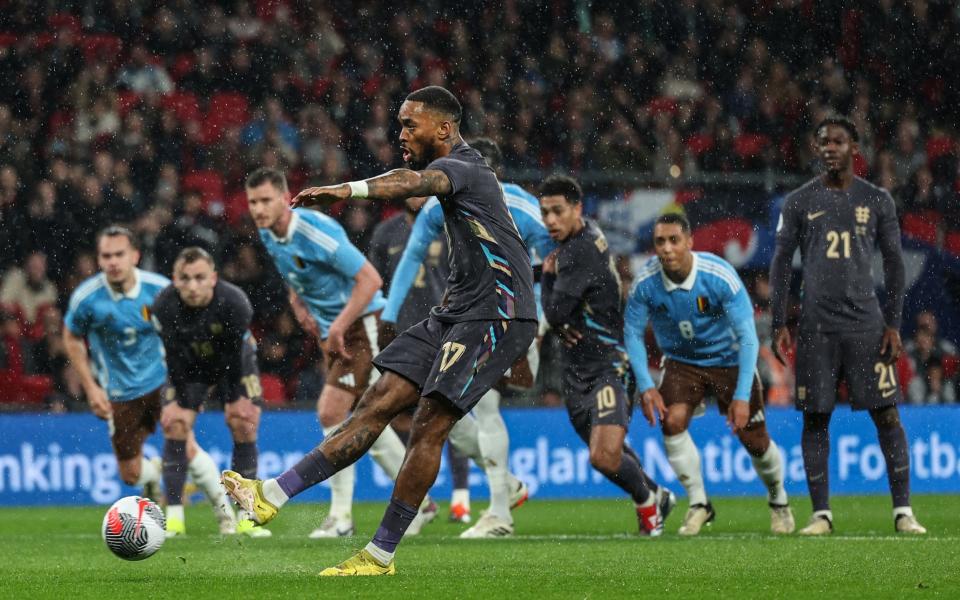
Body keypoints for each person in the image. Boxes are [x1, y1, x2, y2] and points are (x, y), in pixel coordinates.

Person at [222, 86, 538, 575]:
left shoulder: (466, 169)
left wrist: (347, 190)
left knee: (431, 423)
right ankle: (271, 495)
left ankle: (381, 553)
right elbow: (409, 190)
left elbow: (412, 182)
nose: (402, 132)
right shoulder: (448, 174)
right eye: (400, 123)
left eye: (412, 124)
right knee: (376, 402)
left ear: (445, 128)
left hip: (497, 311)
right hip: (456, 311)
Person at [244, 167, 434, 539]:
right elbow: (293, 274)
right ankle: (421, 503)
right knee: (368, 417)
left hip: (362, 322)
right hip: (338, 331)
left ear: (285, 198)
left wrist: (336, 326)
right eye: (253, 202)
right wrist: (299, 305)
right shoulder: (269, 235)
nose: (259, 209)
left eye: (266, 200)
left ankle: (341, 517)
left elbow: (370, 280)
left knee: (332, 412)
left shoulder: (314, 231)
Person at [769, 116, 926, 535]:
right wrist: (780, 318)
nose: (830, 148)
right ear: (816, 148)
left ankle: (903, 512)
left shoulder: (877, 200)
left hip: (865, 326)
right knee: (814, 418)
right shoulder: (800, 201)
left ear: (855, 147)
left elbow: (894, 265)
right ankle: (821, 514)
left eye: (839, 141)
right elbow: (782, 261)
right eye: (823, 142)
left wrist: (893, 324)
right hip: (817, 327)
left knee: (887, 414)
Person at [380, 137, 543, 537]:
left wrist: (539, 311)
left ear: (492, 175)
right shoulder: (440, 205)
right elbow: (413, 255)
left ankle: (501, 512)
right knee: (453, 411)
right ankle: (506, 491)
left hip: (514, 322)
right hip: (476, 320)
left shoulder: (519, 205)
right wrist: (389, 312)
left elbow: (553, 252)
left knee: (480, 410)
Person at [625, 213, 795, 535]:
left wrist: (742, 395)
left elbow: (748, 339)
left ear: (690, 242)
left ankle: (778, 500)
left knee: (755, 442)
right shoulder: (645, 283)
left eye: (674, 240)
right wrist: (646, 386)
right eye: (660, 241)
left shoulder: (719, 276)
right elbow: (632, 333)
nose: (666, 248)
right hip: (681, 362)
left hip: (729, 360)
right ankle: (699, 503)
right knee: (671, 421)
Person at [63, 227, 234, 534]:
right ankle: (154, 476)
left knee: (187, 446)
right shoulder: (87, 298)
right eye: (106, 255)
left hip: (162, 382)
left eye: (119, 254)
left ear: (135, 256)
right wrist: (91, 387)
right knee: (130, 475)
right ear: (99, 259)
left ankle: (226, 516)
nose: (113, 262)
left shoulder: (159, 290)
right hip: (119, 392)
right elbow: (71, 337)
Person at [538, 175, 673, 536]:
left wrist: (548, 279)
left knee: (603, 456)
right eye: (545, 213)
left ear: (577, 209)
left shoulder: (576, 251)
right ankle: (659, 494)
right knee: (609, 453)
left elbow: (554, 315)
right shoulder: (587, 234)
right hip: (575, 367)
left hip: (608, 366)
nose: (550, 220)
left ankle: (648, 508)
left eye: (557, 211)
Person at [367, 196, 474, 524]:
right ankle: (418, 499)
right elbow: (377, 285)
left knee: (448, 412)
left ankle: (461, 496)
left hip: (446, 331)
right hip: (402, 335)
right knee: (384, 410)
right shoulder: (385, 233)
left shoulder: (451, 226)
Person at [152, 247, 269, 538]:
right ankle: (175, 520)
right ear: (174, 279)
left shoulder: (235, 303)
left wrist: (229, 399)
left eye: (200, 278)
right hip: (190, 362)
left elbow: (231, 359)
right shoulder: (163, 305)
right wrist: (185, 398)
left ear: (213, 278)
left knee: (242, 421)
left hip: (235, 361)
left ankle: (245, 516)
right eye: (185, 278)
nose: (193, 286)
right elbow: (173, 356)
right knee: (175, 423)